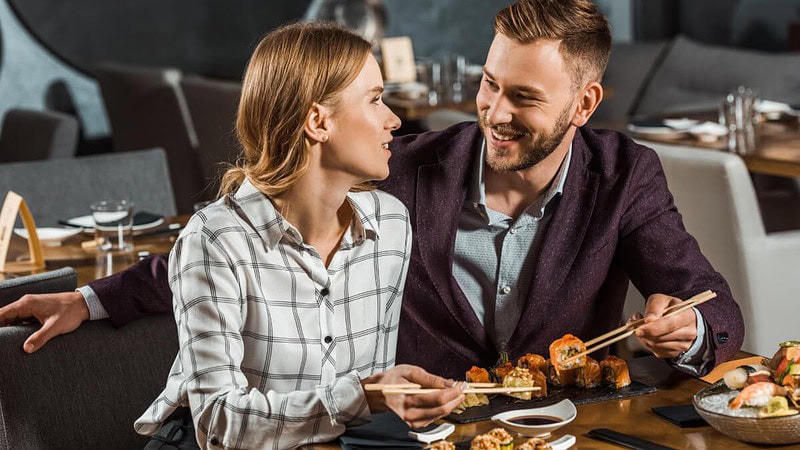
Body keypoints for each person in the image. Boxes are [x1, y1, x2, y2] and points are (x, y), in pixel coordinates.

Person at [0, 0, 743, 384]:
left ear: (584, 106)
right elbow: (247, 233)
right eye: (488, 84)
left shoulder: (624, 176)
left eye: (524, 98)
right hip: (415, 431)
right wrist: (91, 300)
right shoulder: (407, 169)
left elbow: (710, 306)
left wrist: (688, 331)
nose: (493, 111)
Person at [131, 22, 462, 449]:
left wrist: (386, 401)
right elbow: (217, 422)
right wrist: (361, 398)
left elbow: (363, 421)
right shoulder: (215, 239)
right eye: (375, 100)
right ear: (318, 121)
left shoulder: (391, 225)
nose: (394, 119)